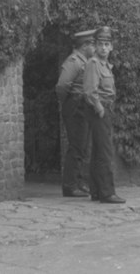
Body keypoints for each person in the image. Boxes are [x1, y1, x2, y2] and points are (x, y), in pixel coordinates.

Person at [82, 26, 125, 204]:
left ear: (112, 47)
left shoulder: (106, 65)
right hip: (99, 109)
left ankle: (97, 191)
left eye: (107, 44)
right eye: (100, 44)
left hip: (105, 108)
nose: (104, 48)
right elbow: (90, 91)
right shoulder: (93, 64)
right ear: (95, 46)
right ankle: (107, 192)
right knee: (106, 152)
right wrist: (100, 108)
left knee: (99, 151)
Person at [55, 29, 96, 198]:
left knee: (83, 146)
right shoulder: (73, 61)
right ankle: (70, 186)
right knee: (76, 146)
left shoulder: (84, 61)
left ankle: (78, 182)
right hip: (75, 105)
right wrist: (68, 101)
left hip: (81, 105)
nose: (94, 47)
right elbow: (62, 85)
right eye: (92, 44)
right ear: (85, 45)